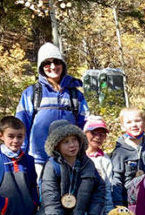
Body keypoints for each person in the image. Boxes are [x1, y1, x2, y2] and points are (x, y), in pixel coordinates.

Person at [36, 120, 105, 215]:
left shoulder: (87, 164)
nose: (72, 145)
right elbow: (51, 202)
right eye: (66, 142)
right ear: (56, 146)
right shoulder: (51, 167)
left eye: (74, 140)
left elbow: (99, 190)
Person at [15, 43, 89, 176]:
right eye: (47, 63)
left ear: (63, 64)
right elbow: (20, 125)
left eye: (56, 62)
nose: (53, 67)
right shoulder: (32, 93)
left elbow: (84, 126)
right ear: (41, 68)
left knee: (68, 196)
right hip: (39, 159)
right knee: (42, 194)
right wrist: (20, 153)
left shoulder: (75, 94)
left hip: (69, 159)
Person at [110, 107, 145, 208]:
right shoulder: (119, 151)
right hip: (129, 203)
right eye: (129, 122)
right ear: (122, 126)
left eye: (138, 121)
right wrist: (118, 206)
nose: (134, 125)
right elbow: (116, 180)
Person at [83, 116, 115, 215]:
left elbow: (108, 187)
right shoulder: (78, 156)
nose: (97, 137)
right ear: (85, 133)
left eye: (101, 135)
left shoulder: (105, 159)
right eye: (93, 133)